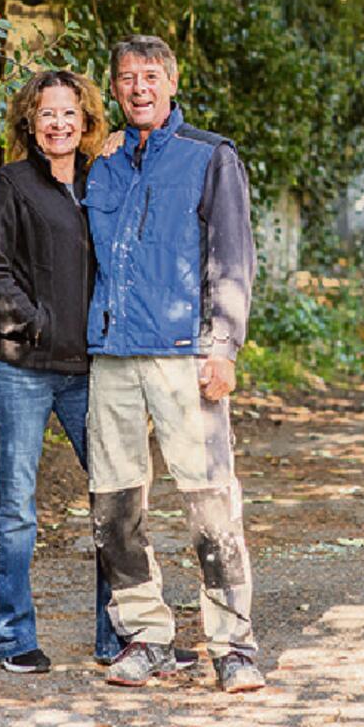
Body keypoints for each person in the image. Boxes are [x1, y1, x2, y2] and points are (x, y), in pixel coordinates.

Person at [83, 35, 264, 692]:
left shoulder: (209, 157)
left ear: (173, 80)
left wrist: (224, 345)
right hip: (112, 357)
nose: (139, 88)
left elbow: (232, 256)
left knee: (210, 501)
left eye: (150, 76)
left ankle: (233, 646)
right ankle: (146, 637)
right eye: (127, 78)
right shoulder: (99, 164)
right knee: (115, 504)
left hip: (186, 358)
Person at [0, 70, 116, 673]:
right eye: (46, 114)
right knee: (13, 503)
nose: (58, 124)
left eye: (69, 113)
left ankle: (123, 633)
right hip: (21, 368)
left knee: (117, 499)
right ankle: (9, 637)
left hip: (95, 369)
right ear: (29, 123)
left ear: (86, 121)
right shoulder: (9, 184)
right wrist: (32, 323)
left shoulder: (102, 182)